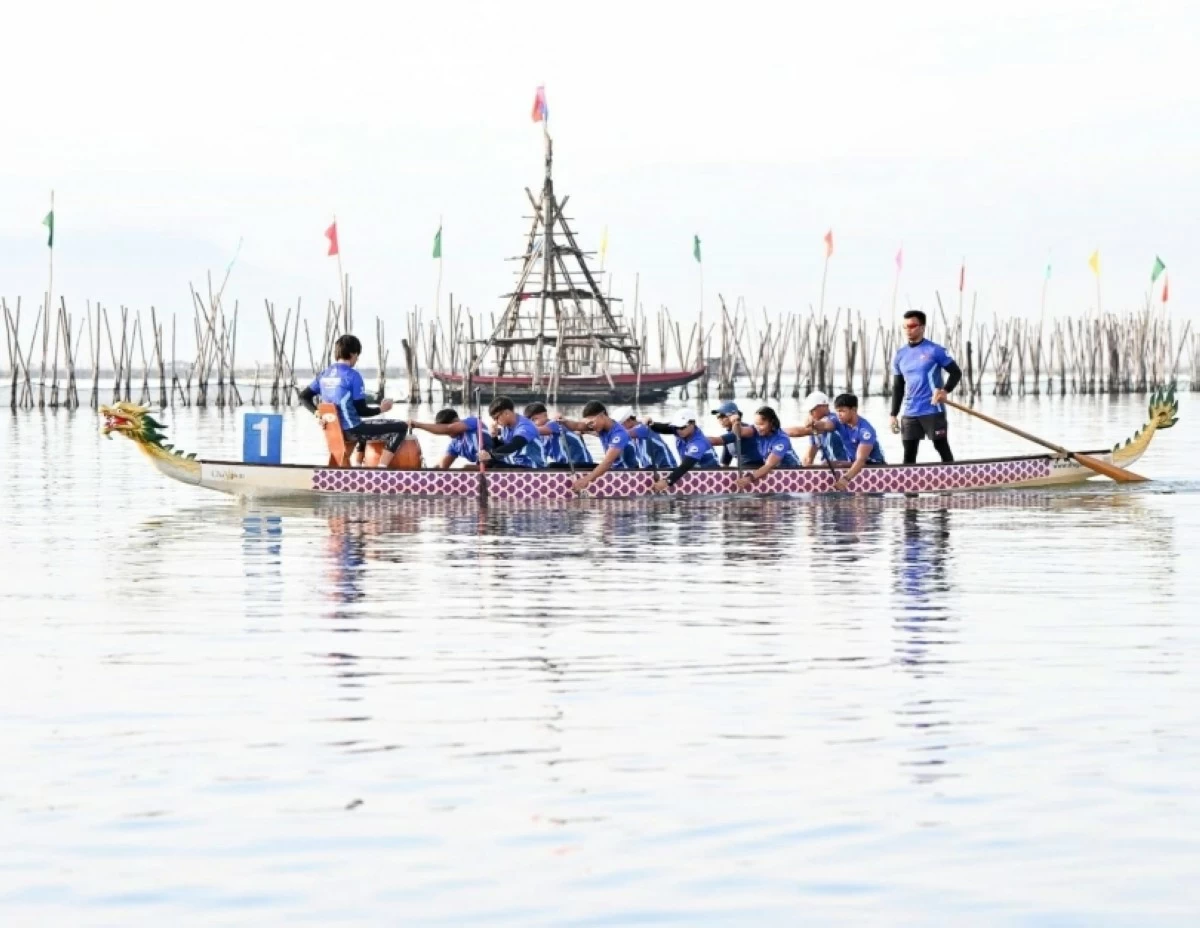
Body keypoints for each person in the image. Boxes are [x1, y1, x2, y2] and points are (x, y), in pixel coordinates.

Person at [299, 334, 408, 468]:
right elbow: (361, 410)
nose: (357, 359)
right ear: (352, 354)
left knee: (365, 426)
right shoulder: (353, 376)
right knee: (401, 427)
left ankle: (356, 466)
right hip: (353, 431)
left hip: (336, 430)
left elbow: (303, 397)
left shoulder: (324, 374)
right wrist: (382, 409)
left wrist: (317, 414)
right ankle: (381, 470)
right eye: (357, 355)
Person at [890, 309, 962, 463]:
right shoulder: (900, 354)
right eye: (905, 327)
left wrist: (945, 391)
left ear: (922, 327)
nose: (908, 330)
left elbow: (956, 373)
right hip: (910, 411)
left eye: (912, 326)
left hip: (932, 408)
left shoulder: (935, 350)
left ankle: (954, 478)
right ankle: (908, 483)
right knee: (909, 453)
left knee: (941, 446)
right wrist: (893, 414)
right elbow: (898, 387)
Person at [557, 400, 639, 493]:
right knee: (555, 466)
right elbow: (577, 425)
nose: (591, 426)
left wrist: (586, 480)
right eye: (588, 424)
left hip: (628, 475)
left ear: (602, 415)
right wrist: (563, 421)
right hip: (613, 470)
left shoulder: (619, 434)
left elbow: (607, 462)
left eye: (592, 422)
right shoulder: (600, 427)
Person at [647, 410, 721, 492]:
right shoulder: (681, 429)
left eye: (682, 427)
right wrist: (651, 423)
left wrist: (667, 481)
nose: (679, 430)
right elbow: (663, 428)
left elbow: (685, 466)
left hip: (710, 476)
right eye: (677, 427)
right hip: (692, 471)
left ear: (692, 424)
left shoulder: (698, 443)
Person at [735, 406, 800, 490]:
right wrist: (736, 422)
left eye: (761, 424)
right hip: (776, 473)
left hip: (793, 474)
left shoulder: (781, 440)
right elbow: (739, 432)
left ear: (771, 422)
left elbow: (769, 465)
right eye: (756, 424)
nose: (758, 427)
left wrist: (749, 478)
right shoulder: (757, 430)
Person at [830, 393, 886, 491]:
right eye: (837, 411)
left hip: (874, 466)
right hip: (854, 463)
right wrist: (815, 425)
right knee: (828, 463)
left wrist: (845, 479)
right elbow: (824, 425)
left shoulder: (865, 430)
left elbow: (861, 460)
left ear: (854, 410)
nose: (839, 414)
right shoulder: (840, 421)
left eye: (842, 411)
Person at [477, 396, 547, 468]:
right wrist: (494, 437)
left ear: (506, 413)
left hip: (534, 467)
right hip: (518, 464)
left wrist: (490, 455)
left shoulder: (525, 426)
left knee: (496, 466)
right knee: (486, 462)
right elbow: (502, 449)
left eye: (496, 418)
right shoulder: (506, 427)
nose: (496, 422)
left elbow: (514, 446)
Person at [410, 408, 492, 469]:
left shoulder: (473, 422)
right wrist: (424, 472)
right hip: (483, 466)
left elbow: (449, 428)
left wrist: (418, 425)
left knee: (465, 468)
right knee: (464, 468)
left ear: (456, 421)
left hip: (496, 459)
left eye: (444, 431)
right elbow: (442, 466)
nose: (447, 434)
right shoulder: (455, 444)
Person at [788, 390, 850, 466]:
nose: (810, 413)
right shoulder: (815, 429)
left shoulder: (835, 418)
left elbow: (823, 425)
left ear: (824, 406)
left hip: (845, 465)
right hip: (827, 467)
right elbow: (808, 459)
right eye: (809, 411)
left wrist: (777, 432)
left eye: (812, 410)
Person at [524, 402, 593, 467]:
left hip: (582, 464)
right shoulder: (541, 438)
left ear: (545, 415)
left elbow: (539, 430)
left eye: (534, 419)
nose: (532, 424)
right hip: (565, 465)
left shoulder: (556, 423)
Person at [707, 401, 764, 468]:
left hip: (756, 467)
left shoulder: (742, 430)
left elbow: (716, 441)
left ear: (733, 416)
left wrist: (695, 440)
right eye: (717, 417)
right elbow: (725, 464)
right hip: (743, 469)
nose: (719, 419)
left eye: (722, 416)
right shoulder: (728, 436)